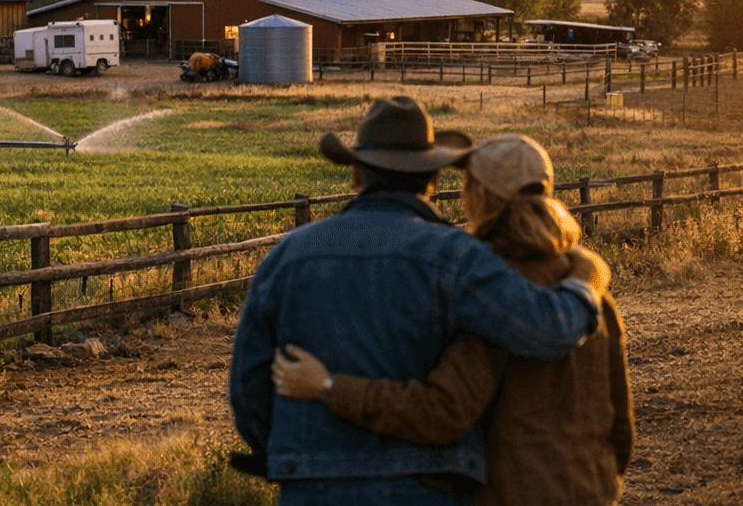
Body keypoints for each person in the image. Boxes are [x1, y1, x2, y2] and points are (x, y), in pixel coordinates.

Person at [229, 97, 611, 506]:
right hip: (426, 485)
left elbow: (249, 387)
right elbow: (546, 330)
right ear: (432, 179)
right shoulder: (457, 257)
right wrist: (587, 282)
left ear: (356, 173)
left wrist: (300, 453)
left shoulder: (287, 257)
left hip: (313, 484)